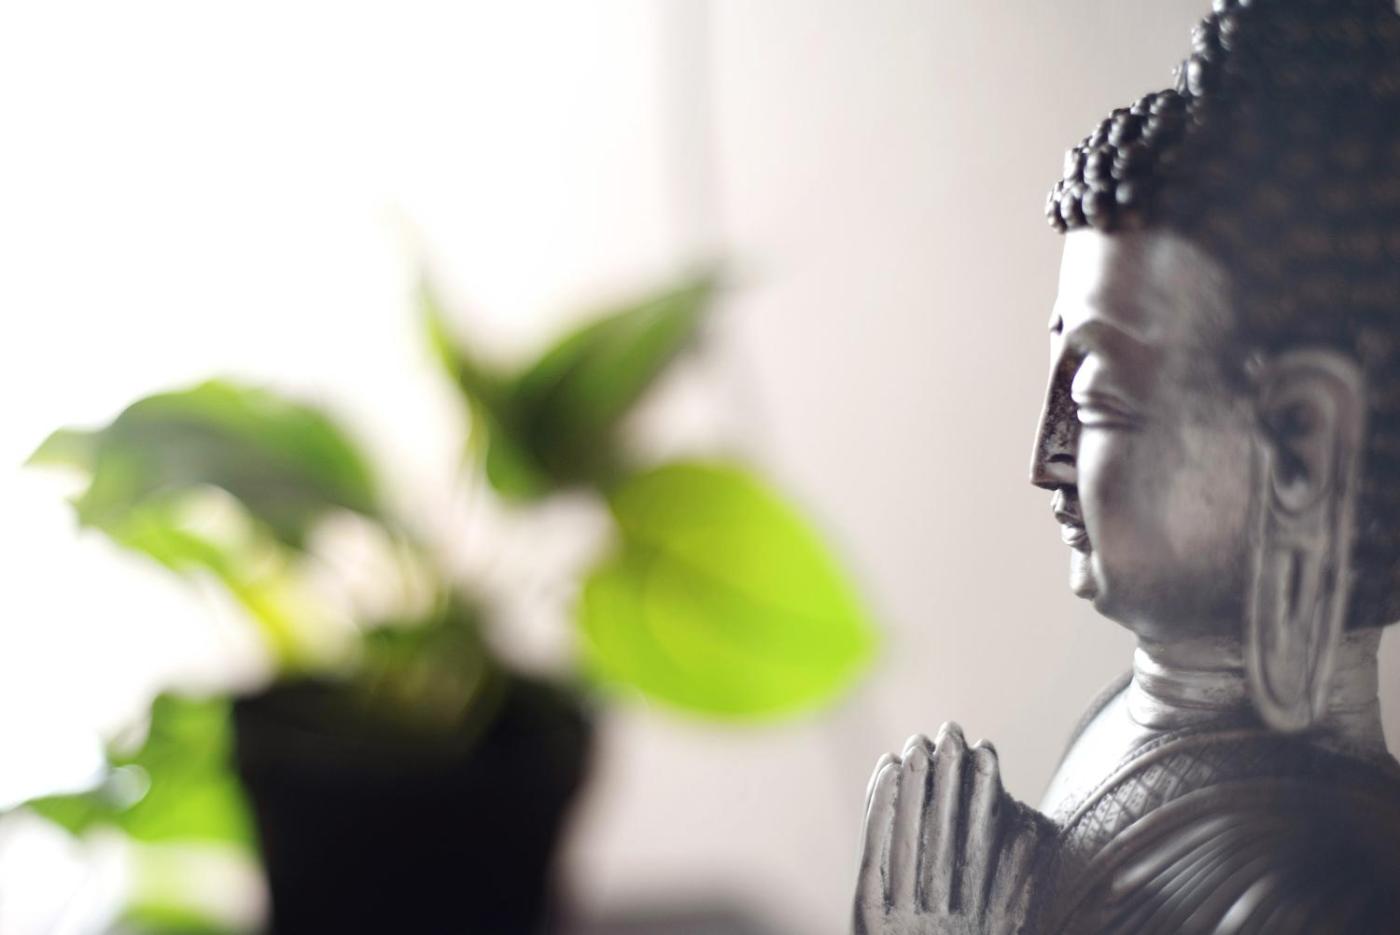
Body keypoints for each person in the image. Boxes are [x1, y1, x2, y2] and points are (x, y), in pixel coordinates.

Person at [854, 1, 1400, 931]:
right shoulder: (1135, 734)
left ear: (1301, 448)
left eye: (1098, 397)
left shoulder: (1330, 893)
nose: (1047, 458)